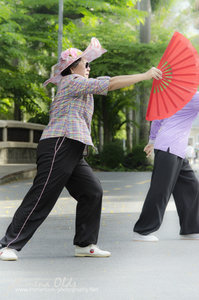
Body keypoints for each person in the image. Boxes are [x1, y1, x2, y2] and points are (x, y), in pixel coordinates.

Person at [0, 37, 162, 260]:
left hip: (73, 149)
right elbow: (112, 83)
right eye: (86, 63)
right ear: (72, 67)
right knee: (43, 196)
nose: (89, 67)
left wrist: (144, 75)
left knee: (91, 191)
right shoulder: (71, 82)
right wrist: (145, 75)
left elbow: (111, 80)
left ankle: (85, 244)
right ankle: (8, 245)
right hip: (59, 143)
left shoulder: (82, 85)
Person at [133, 91, 199, 242]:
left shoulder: (170, 96)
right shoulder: (190, 96)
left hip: (175, 148)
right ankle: (142, 230)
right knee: (160, 190)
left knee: (191, 186)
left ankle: (191, 229)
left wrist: (152, 140)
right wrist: (152, 141)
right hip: (170, 147)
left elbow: (157, 119)